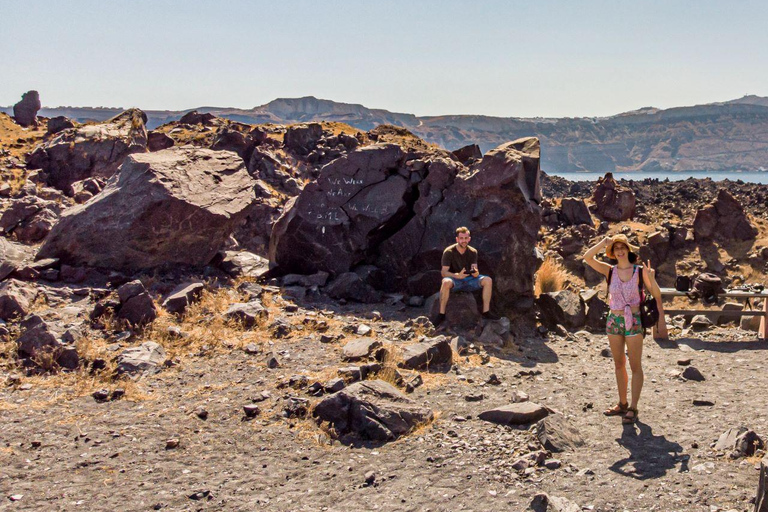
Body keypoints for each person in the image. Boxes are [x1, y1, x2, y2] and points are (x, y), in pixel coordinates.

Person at [583, 233, 663, 424]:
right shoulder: (610, 271)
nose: (619, 251)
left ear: (628, 250)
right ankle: (623, 403)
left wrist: (652, 278)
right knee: (618, 364)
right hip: (614, 320)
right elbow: (587, 257)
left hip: (634, 320)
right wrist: (604, 242)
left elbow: (657, 294)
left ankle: (634, 407)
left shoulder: (638, 271)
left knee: (635, 365)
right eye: (616, 248)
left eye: (622, 247)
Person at [435, 226, 499, 327]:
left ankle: (486, 311)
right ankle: (441, 314)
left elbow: (475, 269)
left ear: (469, 239)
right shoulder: (449, 251)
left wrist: (476, 273)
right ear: (457, 239)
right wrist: (457, 275)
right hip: (455, 280)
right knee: (446, 282)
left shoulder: (473, 251)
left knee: (488, 280)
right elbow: (444, 272)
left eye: (466, 238)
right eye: (461, 238)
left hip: (469, 279)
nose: (463, 241)